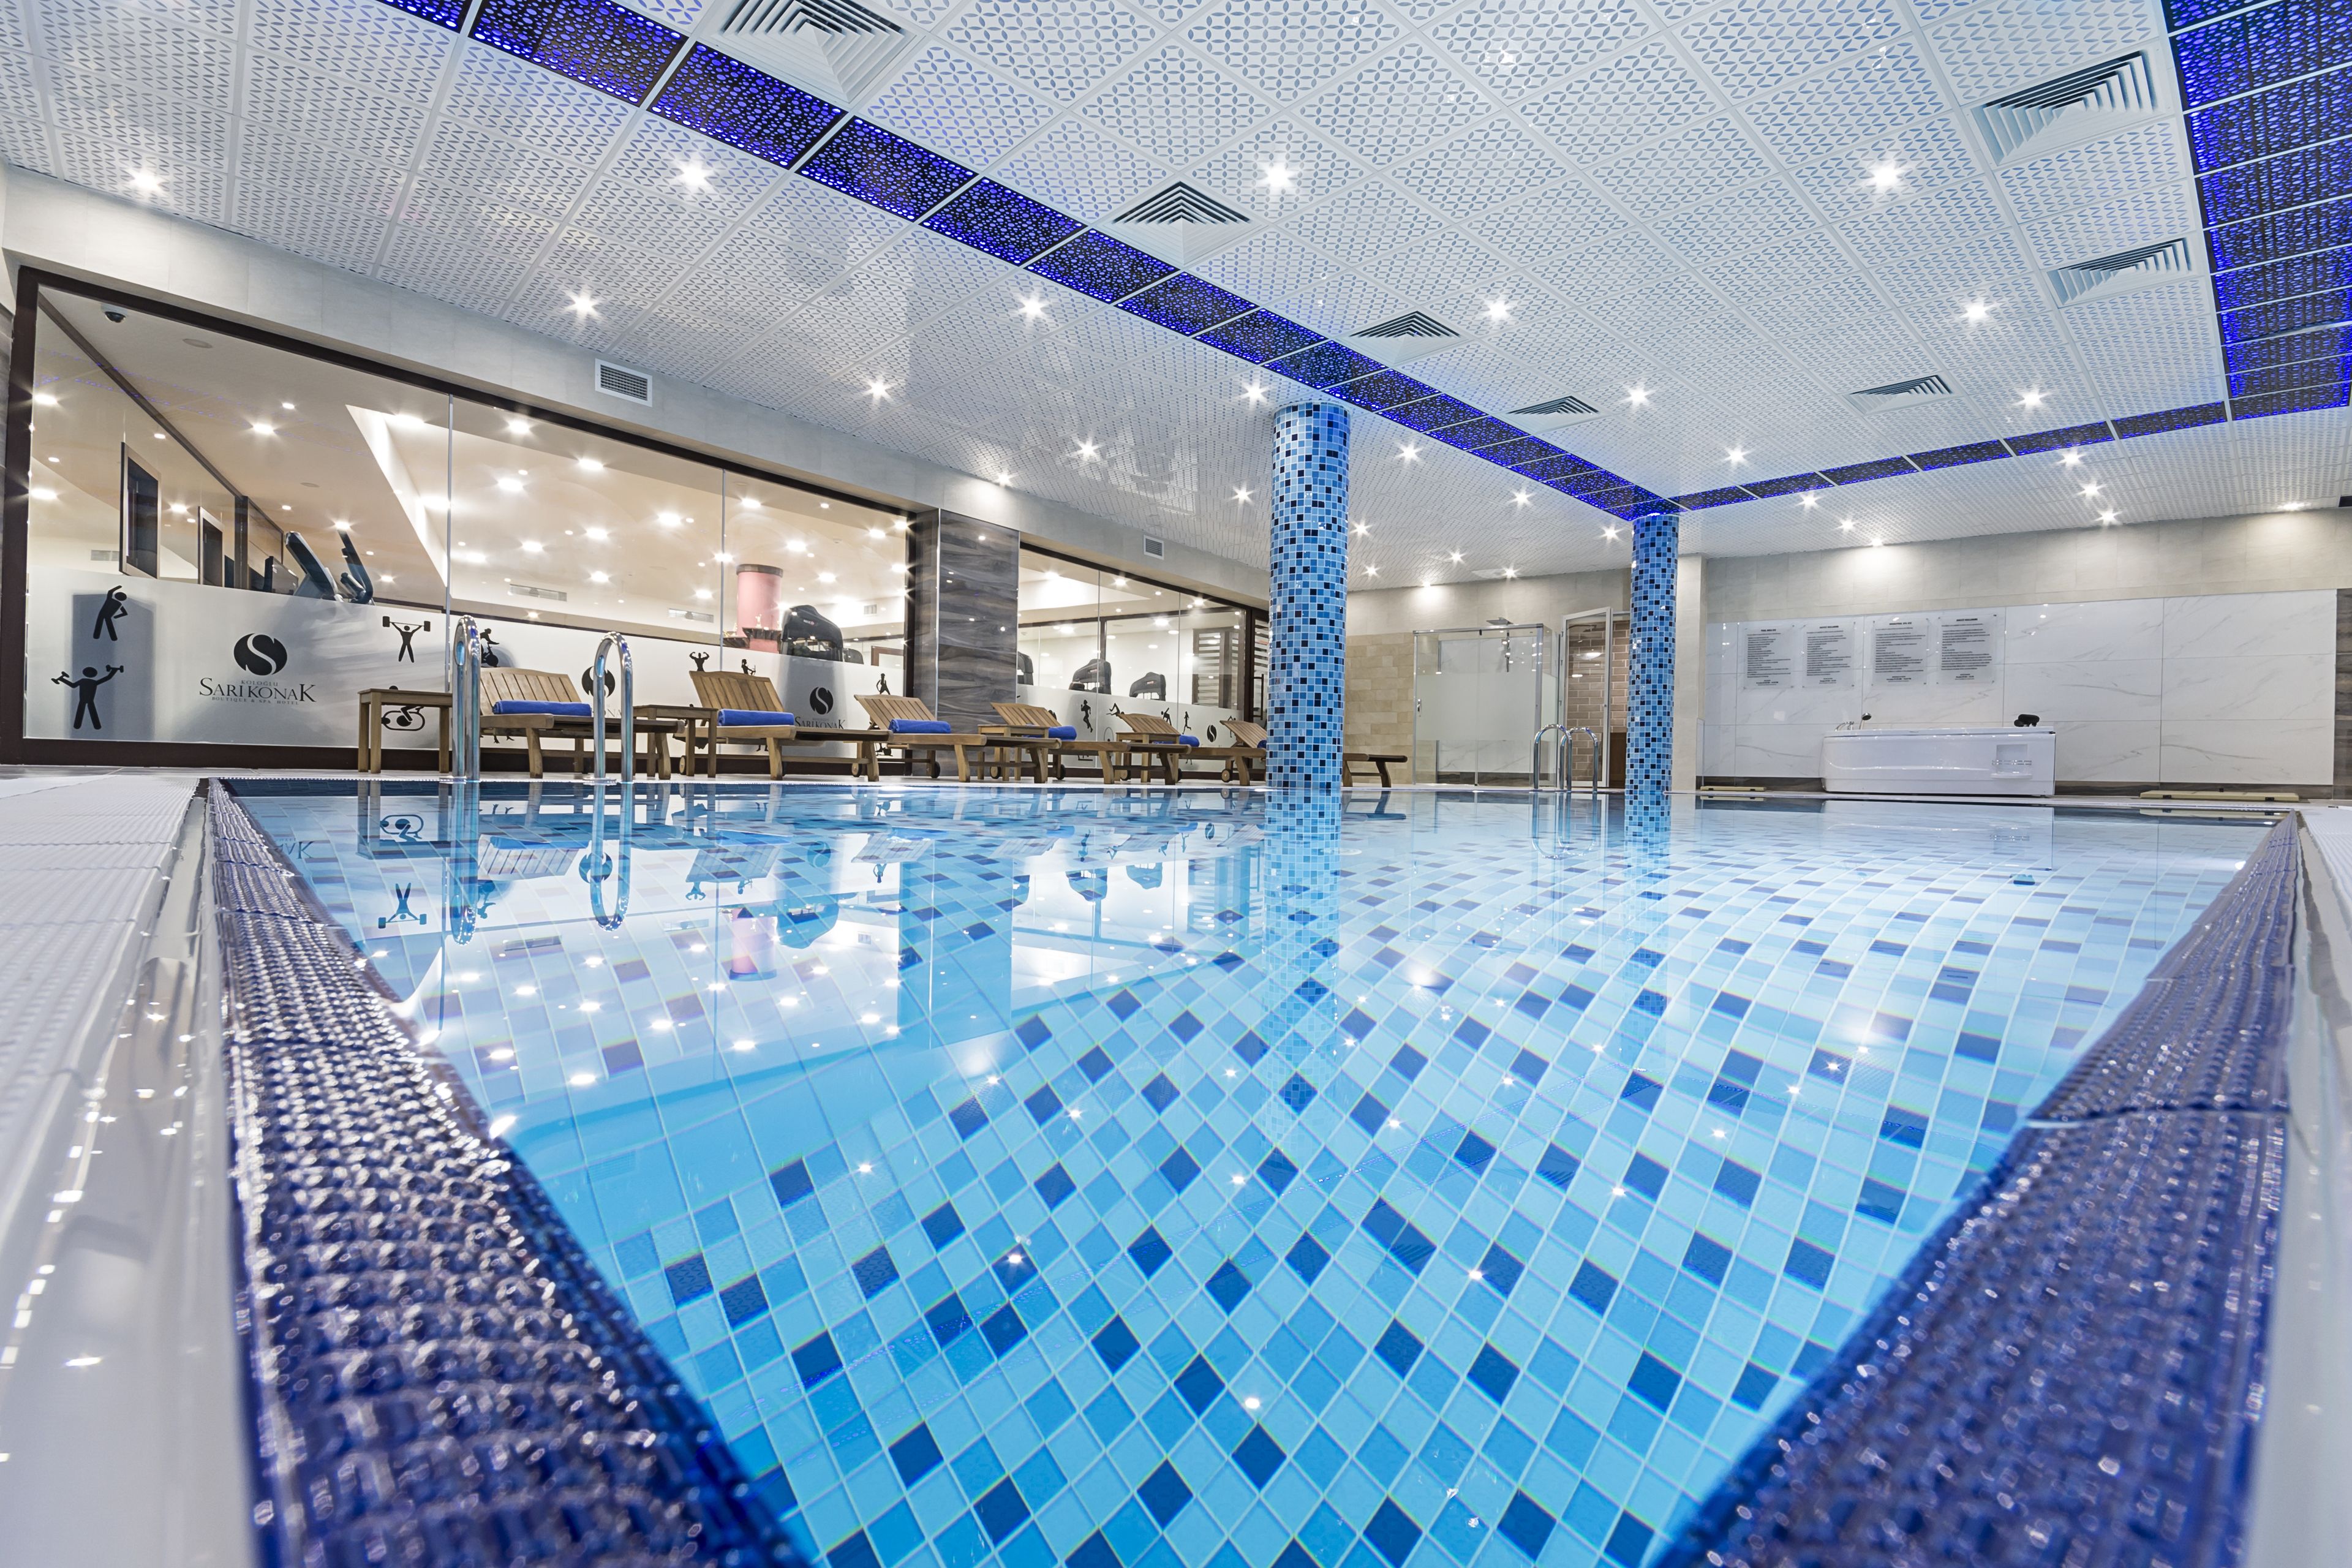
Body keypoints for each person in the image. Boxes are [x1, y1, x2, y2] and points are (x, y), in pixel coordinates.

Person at [55, 665, 124, 731]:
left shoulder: (85, 681)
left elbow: (73, 685)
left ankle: (82, 726)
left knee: (84, 710)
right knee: (89, 710)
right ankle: (92, 726)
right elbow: (107, 678)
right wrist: (114, 671)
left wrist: (62, 679)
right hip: (87, 699)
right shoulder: (93, 682)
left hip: (86, 699)